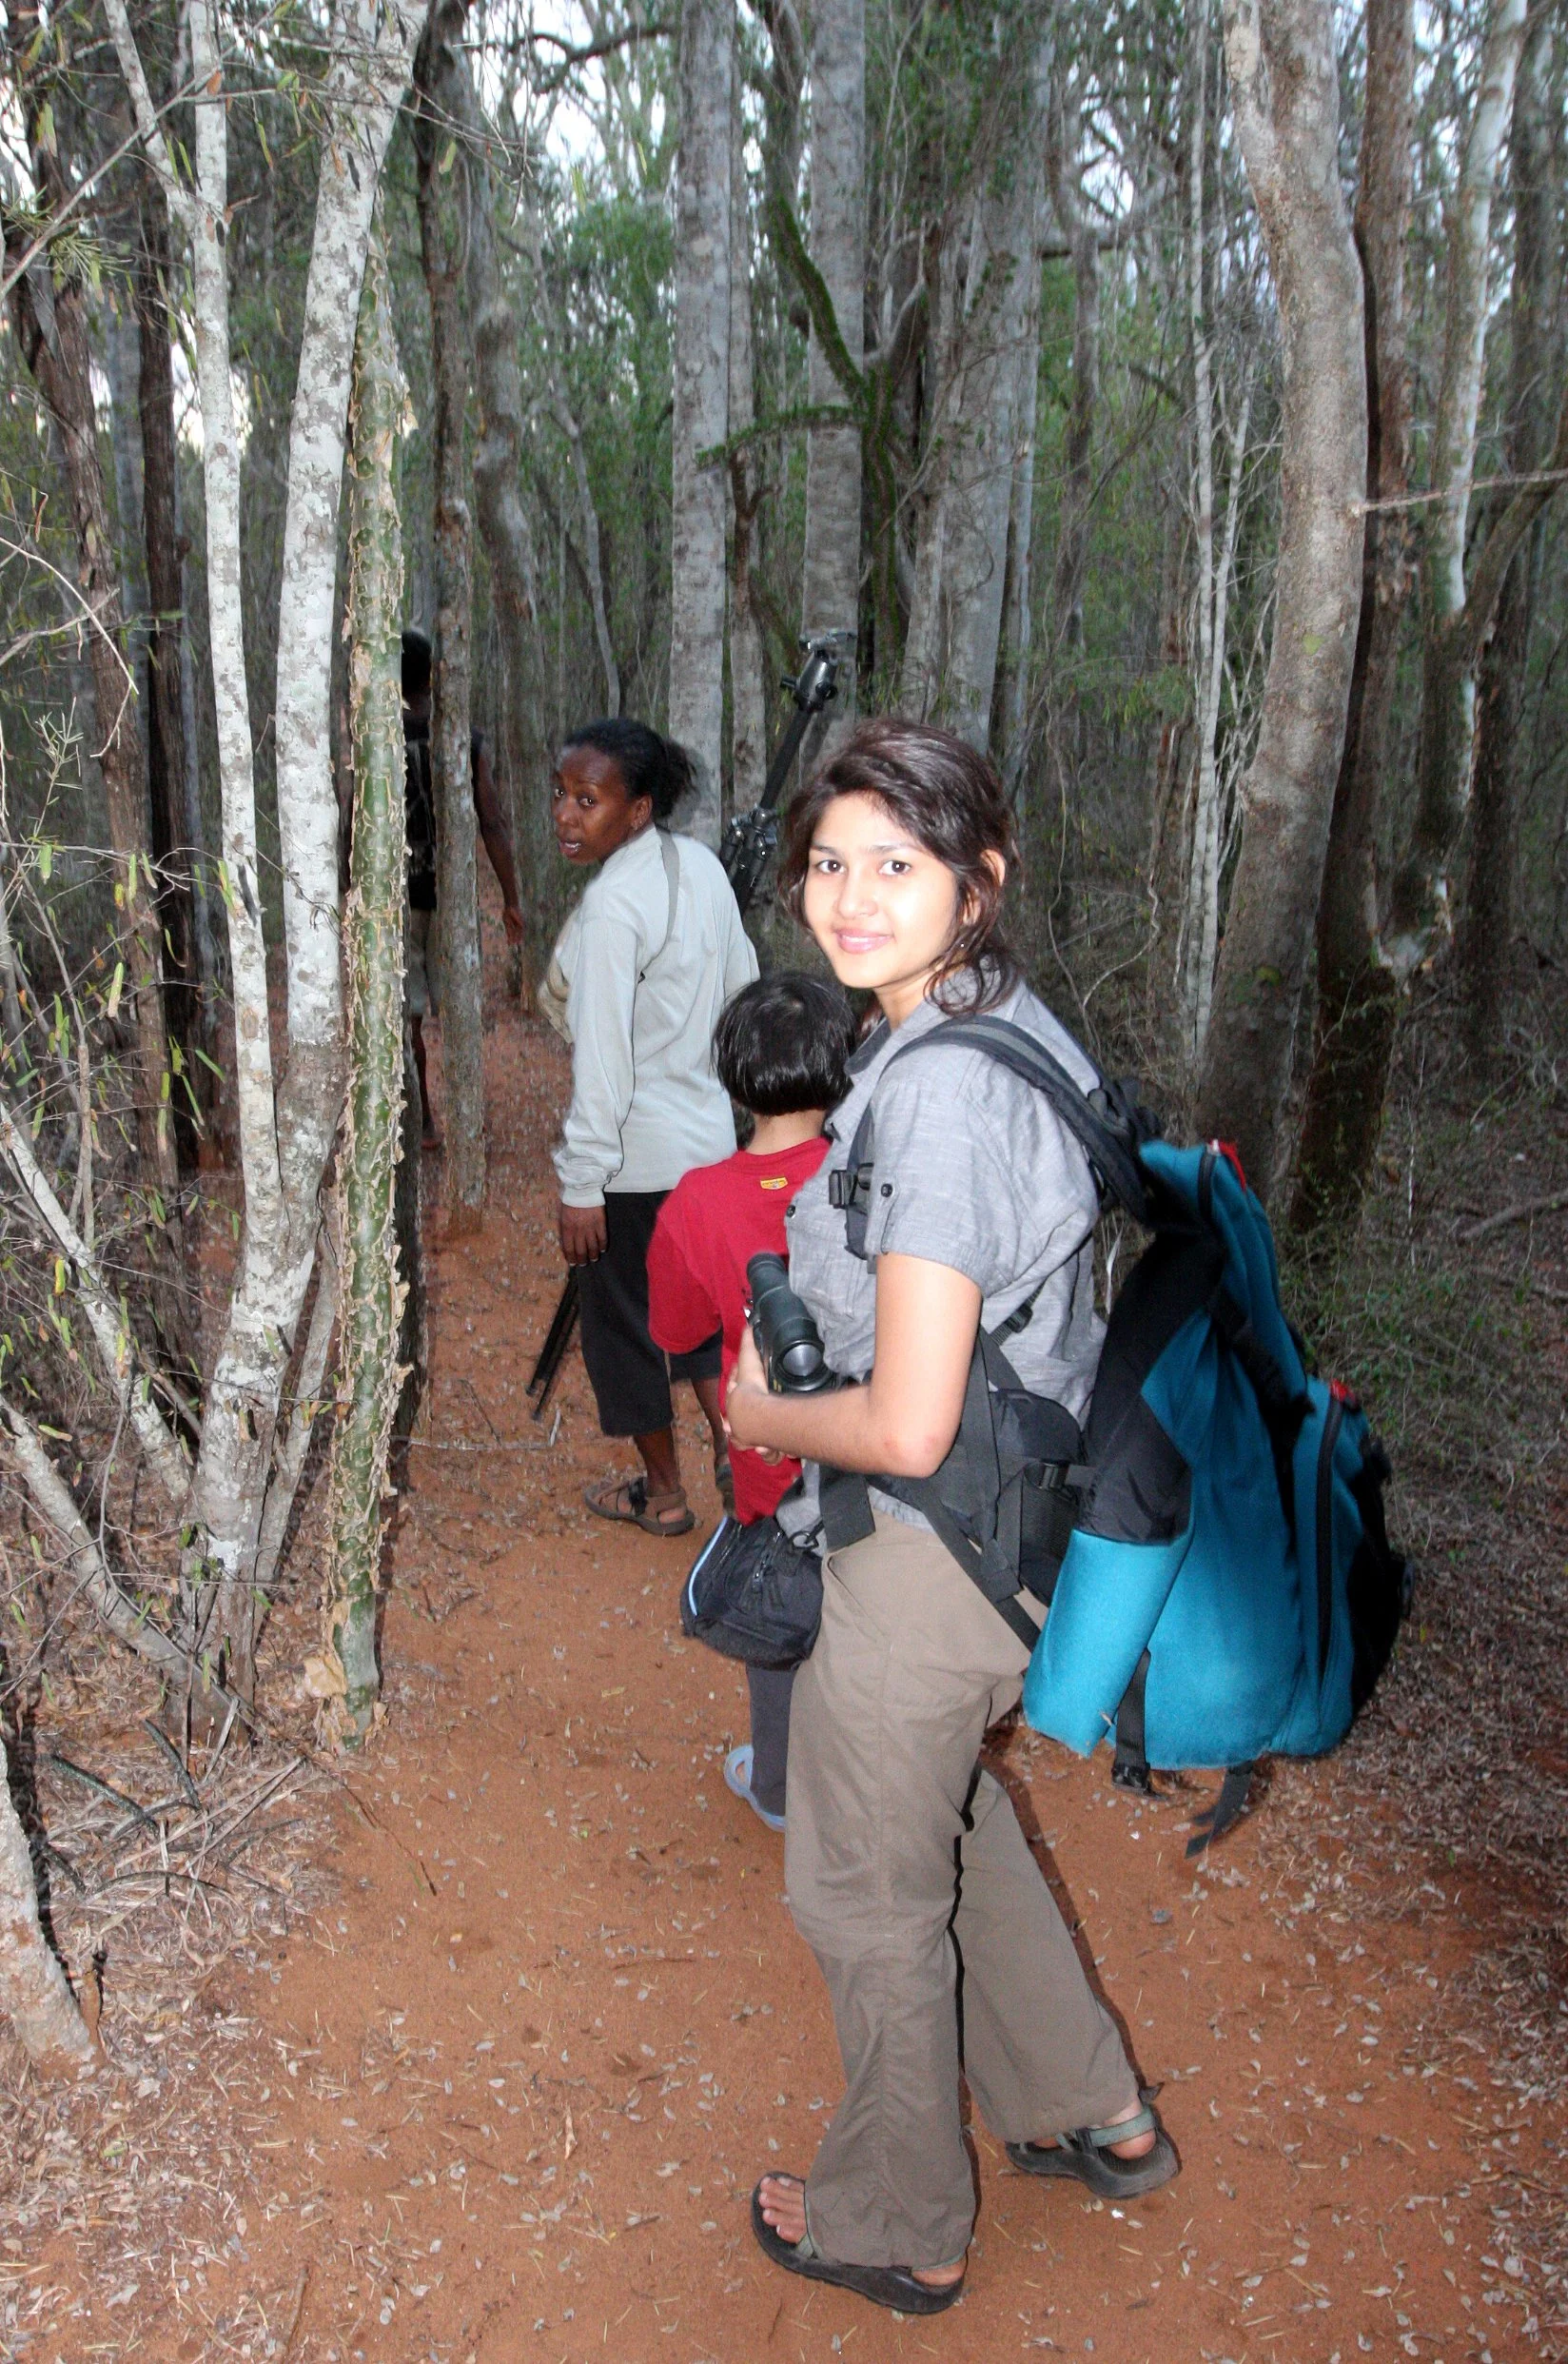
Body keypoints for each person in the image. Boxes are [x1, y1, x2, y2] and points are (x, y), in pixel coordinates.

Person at [723, 718, 1179, 2318]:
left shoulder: (936, 1096)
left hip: (929, 1544)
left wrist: (761, 1410)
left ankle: (894, 2212)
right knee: (943, 1827)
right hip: (1016, 1535)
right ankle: (1088, 2106)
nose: (846, 897)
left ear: (977, 881)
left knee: (857, 1884)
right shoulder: (996, 1026)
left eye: (893, 864)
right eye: (828, 861)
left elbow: (907, 1415)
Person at [646, 973, 856, 1831]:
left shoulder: (699, 1201)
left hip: (770, 1459)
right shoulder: (873, 1175)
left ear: (732, 1077)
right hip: (879, 1453)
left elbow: (676, 1326)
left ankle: (777, 1787)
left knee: (778, 1616)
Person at [546, 719, 758, 1535]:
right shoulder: (699, 867)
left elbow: (601, 1062)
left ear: (637, 811)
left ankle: (665, 1496)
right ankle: (742, 1462)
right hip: (704, 1151)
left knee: (624, 1332)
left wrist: (581, 1183)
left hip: (633, 1167)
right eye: (562, 796)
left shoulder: (610, 910)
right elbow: (742, 986)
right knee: (704, 1324)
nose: (567, 816)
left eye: (588, 800)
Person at [402, 628, 526, 1145]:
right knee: (456, 1016)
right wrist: (510, 898)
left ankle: (425, 1118)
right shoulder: (462, 739)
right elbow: (491, 822)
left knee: (406, 1020)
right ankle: (460, 1122)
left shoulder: (376, 737)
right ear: (433, 674)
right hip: (449, 902)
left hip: (398, 902)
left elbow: (350, 826)